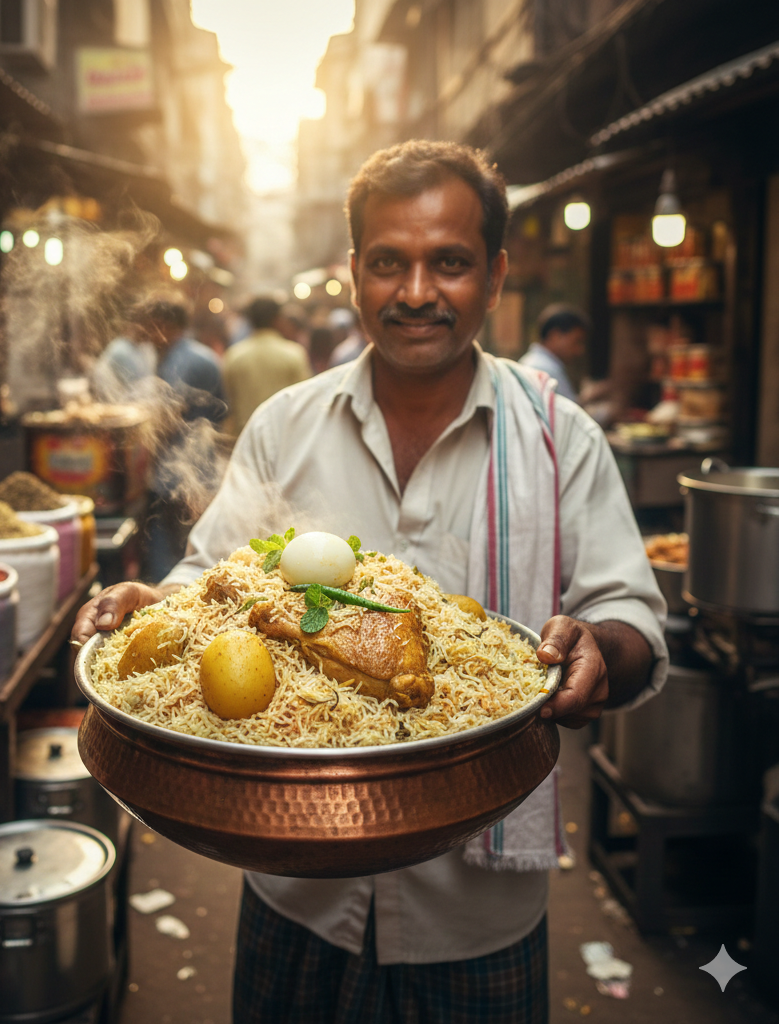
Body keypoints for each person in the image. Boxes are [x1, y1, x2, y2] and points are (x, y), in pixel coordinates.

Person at [73, 140, 667, 1023]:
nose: (418, 291)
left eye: (451, 263)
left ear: (496, 276)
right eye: (389, 261)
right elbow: (210, 579)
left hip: (479, 916)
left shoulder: (556, 435)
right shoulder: (288, 425)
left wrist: (597, 646)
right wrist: (151, 604)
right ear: (355, 273)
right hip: (296, 888)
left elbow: (628, 615)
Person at [138, 293, 227, 581]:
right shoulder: (196, 355)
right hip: (198, 468)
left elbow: (165, 420)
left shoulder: (183, 361)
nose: (146, 333)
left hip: (181, 475)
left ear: (163, 323)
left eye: (150, 324)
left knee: (180, 551)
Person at [222, 296, 310, 435]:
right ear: (278, 319)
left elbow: (229, 401)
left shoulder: (233, 356)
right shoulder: (294, 354)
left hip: (244, 437)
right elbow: (304, 401)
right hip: (284, 437)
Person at [518, 304, 591, 403]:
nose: (580, 350)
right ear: (555, 336)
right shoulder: (544, 368)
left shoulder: (536, 362)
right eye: (576, 341)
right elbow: (564, 414)